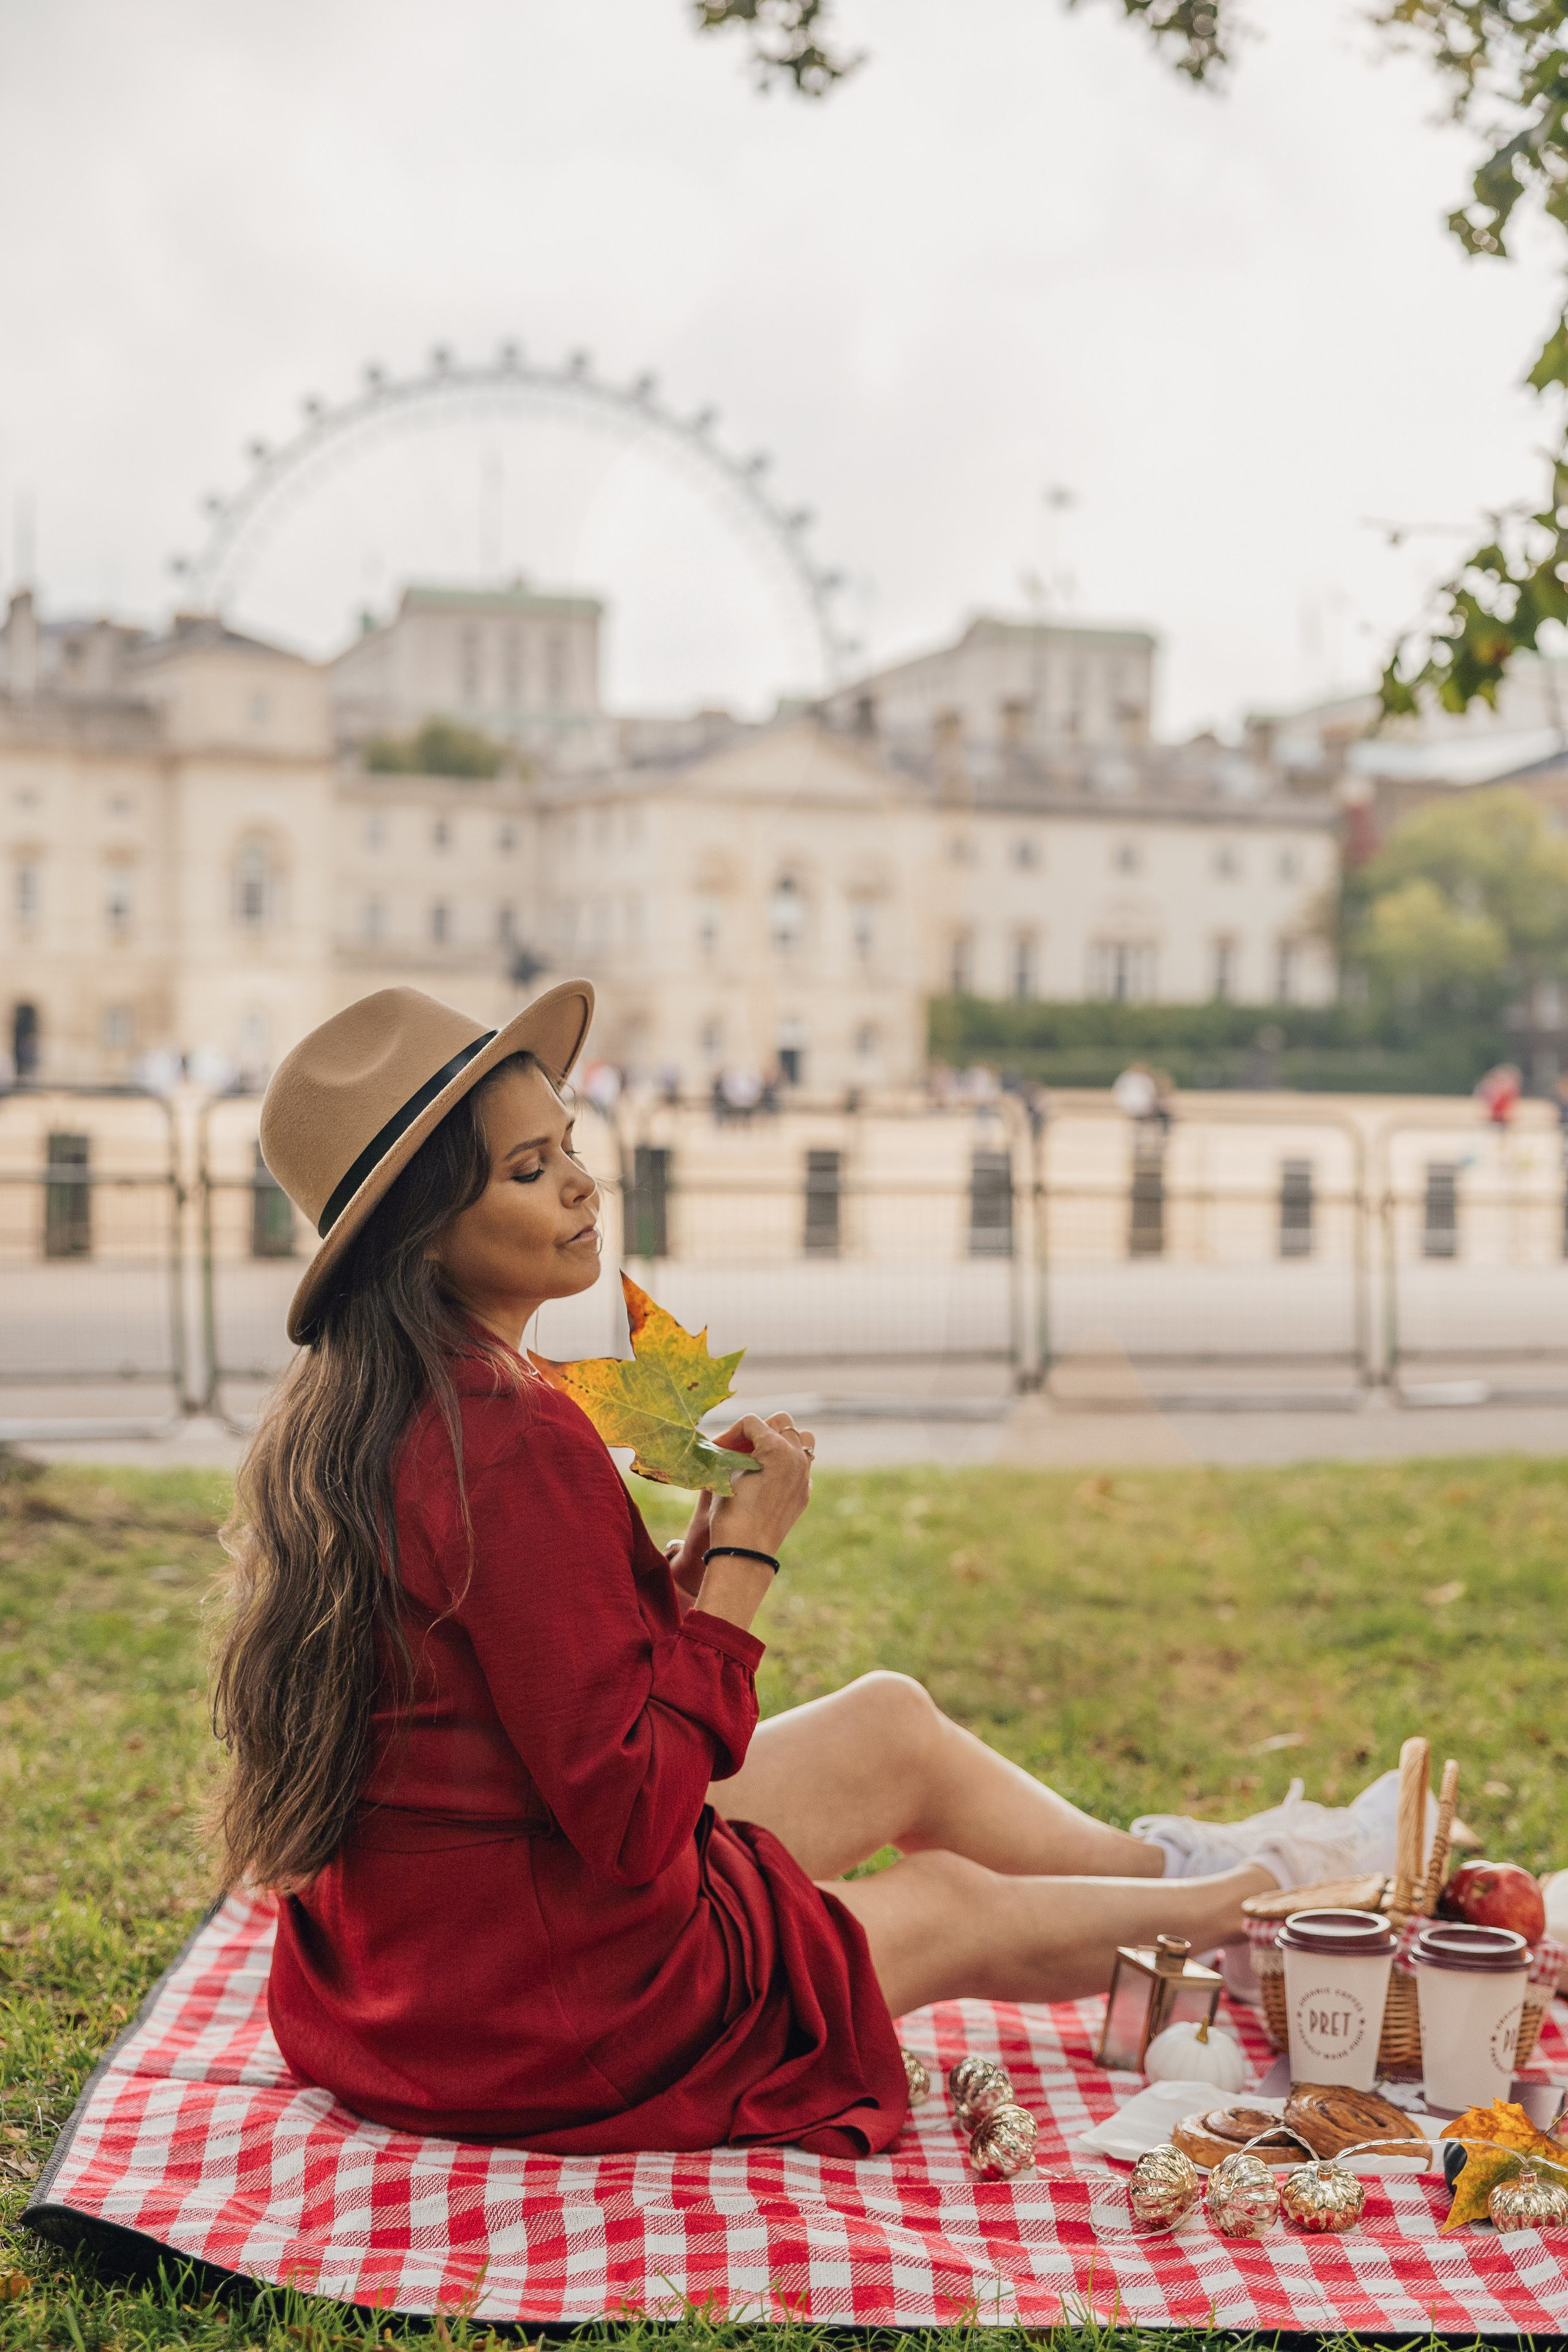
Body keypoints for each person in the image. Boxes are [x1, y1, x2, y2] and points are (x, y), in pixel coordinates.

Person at [214, 982, 1411, 2159]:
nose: (582, 1183)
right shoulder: (514, 1441)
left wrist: (678, 1576)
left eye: (567, 1145)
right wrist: (745, 1554)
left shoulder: (373, 1408)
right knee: (948, 1903)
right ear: (422, 1231)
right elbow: (633, 1818)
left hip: (410, 1982)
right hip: (544, 2021)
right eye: (527, 1171)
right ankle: (1253, 1905)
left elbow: (527, 1696)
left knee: (891, 1723)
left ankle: (1191, 1869)